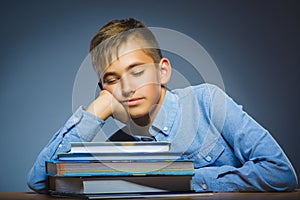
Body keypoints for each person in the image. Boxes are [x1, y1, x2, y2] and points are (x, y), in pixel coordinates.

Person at [27, 18, 298, 193]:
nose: (127, 88)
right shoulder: (118, 148)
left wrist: (188, 181)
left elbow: (281, 173)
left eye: (136, 71)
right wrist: (94, 114)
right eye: (112, 79)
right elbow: (39, 181)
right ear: (103, 90)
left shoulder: (207, 101)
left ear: (163, 71)